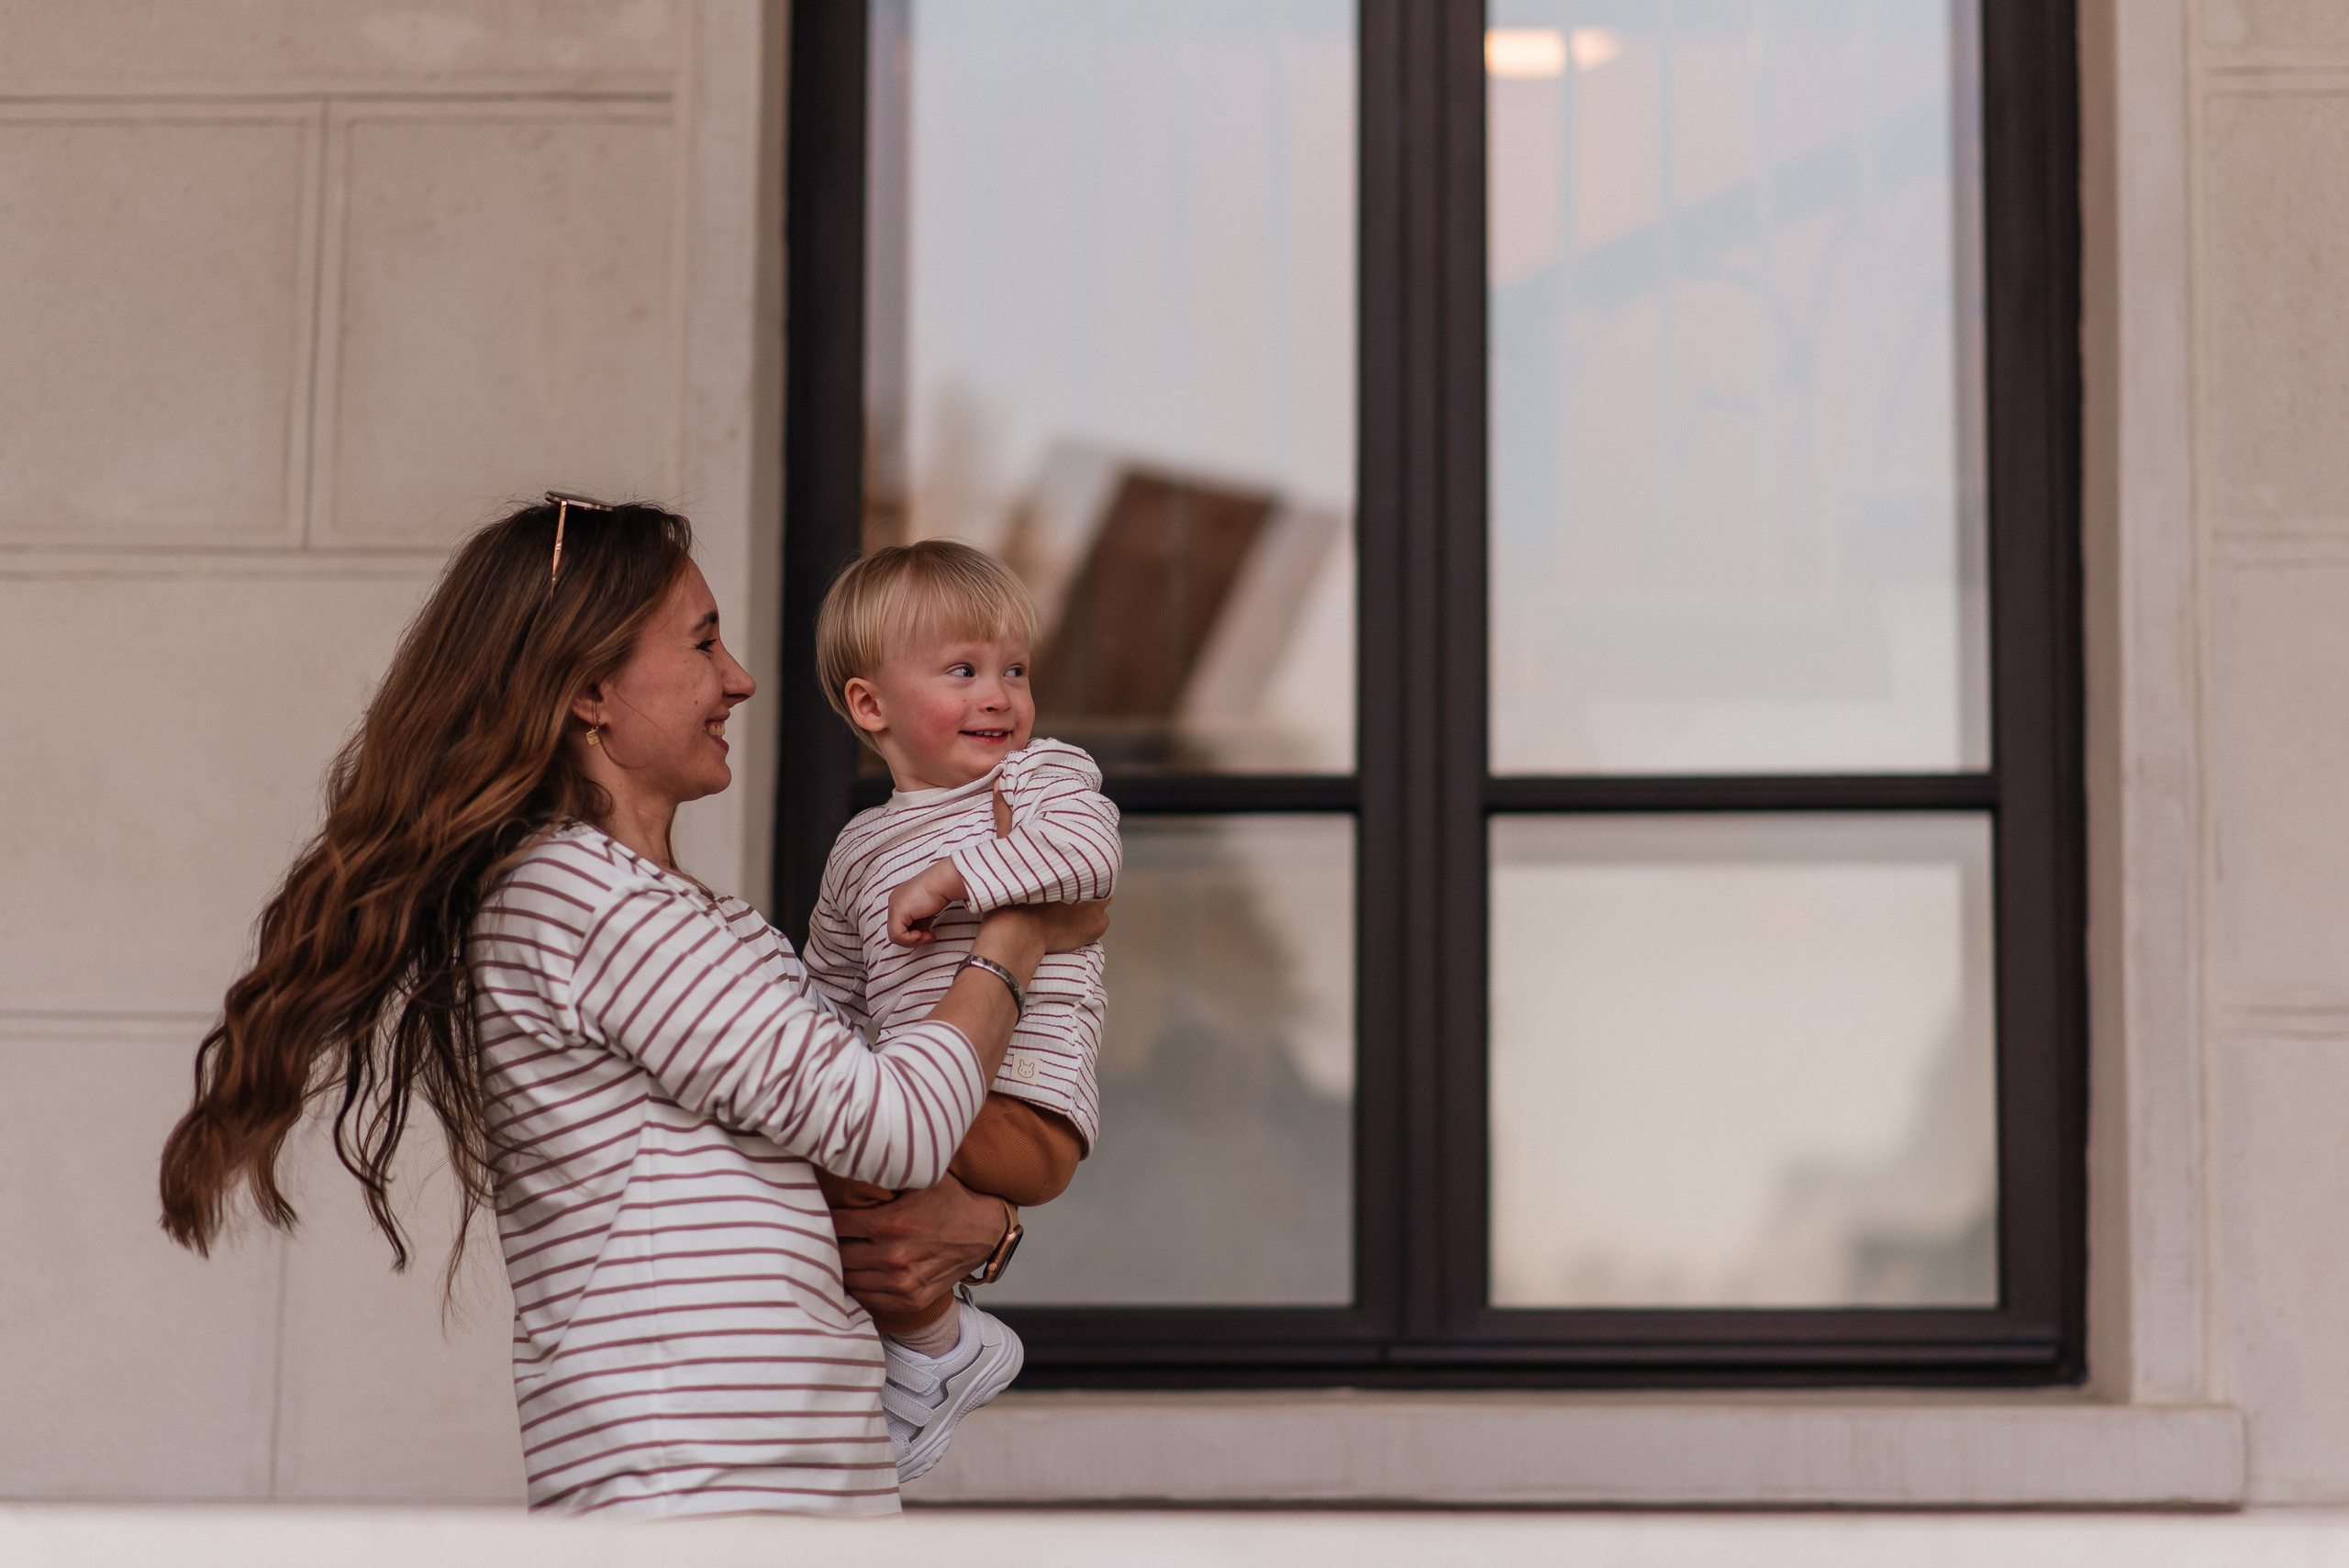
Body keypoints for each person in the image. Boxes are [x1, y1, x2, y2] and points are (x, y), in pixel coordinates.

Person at [155, 495, 1106, 1518]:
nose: (739, 678)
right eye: (703, 643)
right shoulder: (580, 898)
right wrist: (1015, 932)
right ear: (590, 691)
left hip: (784, 1490)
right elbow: (898, 1123)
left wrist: (983, 1229)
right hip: (691, 1494)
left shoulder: (696, 922)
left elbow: (866, 1146)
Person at [803, 539, 1119, 1482]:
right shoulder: (859, 846)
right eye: (962, 670)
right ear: (871, 706)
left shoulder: (1037, 780)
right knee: (826, 1161)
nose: (999, 695)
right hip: (929, 1105)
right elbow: (829, 982)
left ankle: (933, 1353)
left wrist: (957, 876)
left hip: (1025, 1101)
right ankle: (933, 1344)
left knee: (859, 1141)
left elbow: (1089, 857)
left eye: (1014, 670)